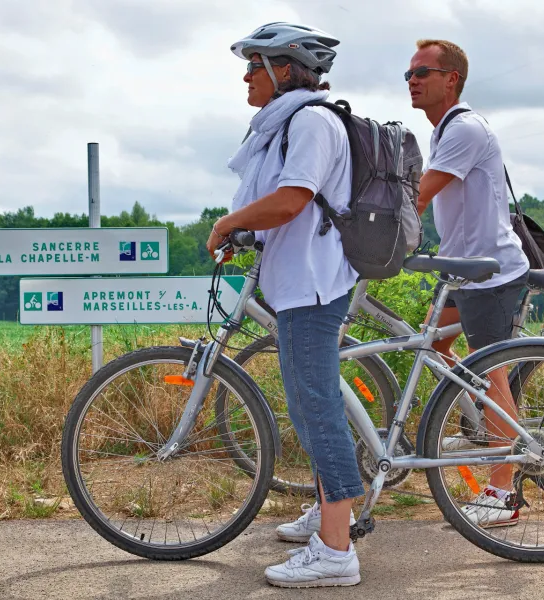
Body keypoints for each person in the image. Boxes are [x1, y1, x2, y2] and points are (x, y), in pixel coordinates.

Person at [206, 22, 363, 588]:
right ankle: (331, 518)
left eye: (254, 66)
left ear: (283, 69)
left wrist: (230, 221)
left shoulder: (312, 121)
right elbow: (288, 200)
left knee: (317, 411)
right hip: (299, 281)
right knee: (311, 407)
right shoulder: (289, 123)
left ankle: (337, 551)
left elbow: (293, 199)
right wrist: (247, 230)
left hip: (312, 286)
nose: (247, 76)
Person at [407, 39, 531, 527]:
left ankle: (503, 489)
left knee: (490, 374)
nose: (412, 81)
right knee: (436, 346)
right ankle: (487, 426)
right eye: (408, 75)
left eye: (422, 72)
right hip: (464, 270)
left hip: (491, 273)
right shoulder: (444, 131)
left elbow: (418, 196)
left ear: (450, 79)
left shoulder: (463, 129)